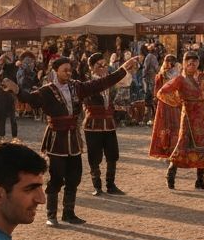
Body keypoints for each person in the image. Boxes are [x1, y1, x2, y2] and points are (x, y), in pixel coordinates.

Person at [12, 55, 137, 226]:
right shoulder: (47, 91)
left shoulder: (77, 87)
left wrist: (123, 69)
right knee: (56, 177)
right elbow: (30, 99)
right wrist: (16, 90)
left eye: (70, 70)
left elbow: (101, 83)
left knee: (74, 176)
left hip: (73, 138)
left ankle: (69, 213)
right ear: (55, 71)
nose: (68, 73)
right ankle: (51, 215)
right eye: (65, 70)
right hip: (57, 138)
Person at [156, 52, 204, 191]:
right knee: (183, 145)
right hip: (187, 116)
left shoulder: (203, 77)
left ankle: (200, 181)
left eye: (194, 61)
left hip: (201, 115)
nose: (191, 64)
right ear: (184, 63)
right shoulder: (180, 80)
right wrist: (177, 102)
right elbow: (162, 92)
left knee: (202, 145)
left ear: (198, 64)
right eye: (189, 61)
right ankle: (170, 175)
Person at [82, 53, 125, 197]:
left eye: (105, 65)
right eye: (99, 65)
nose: (103, 68)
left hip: (109, 123)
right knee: (94, 155)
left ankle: (111, 185)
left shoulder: (110, 84)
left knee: (112, 154)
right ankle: (97, 186)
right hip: (93, 123)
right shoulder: (87, 84)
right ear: (91, 67)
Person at [148, 54, 182, 181]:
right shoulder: (161, 76)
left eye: (172, 62)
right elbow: (157, 93)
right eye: (169, 62)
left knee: (175, 129)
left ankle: (173, 151)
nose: (170, 64)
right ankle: (167, 151)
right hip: (165, 105)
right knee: (166, 129)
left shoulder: (177, 76)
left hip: (174, 105)